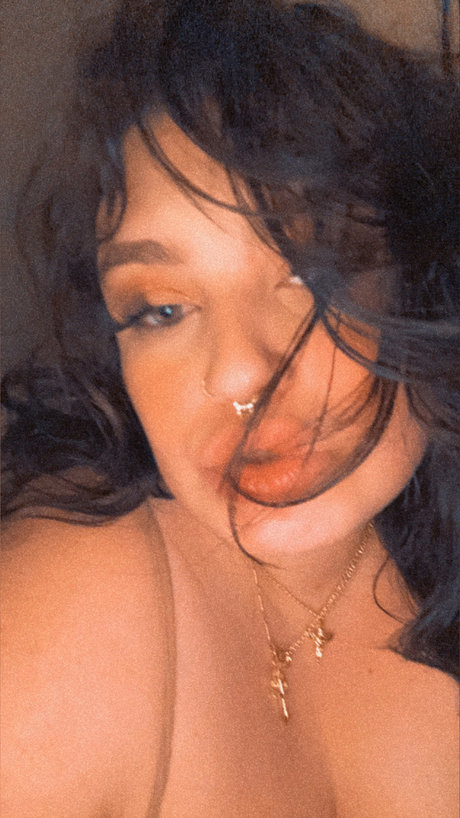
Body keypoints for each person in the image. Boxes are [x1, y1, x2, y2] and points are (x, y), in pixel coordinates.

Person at [1, 1, 458, 815]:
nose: (237, 370)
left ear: (428, 280)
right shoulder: (76, 604)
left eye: (307, 272)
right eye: (160, 309)